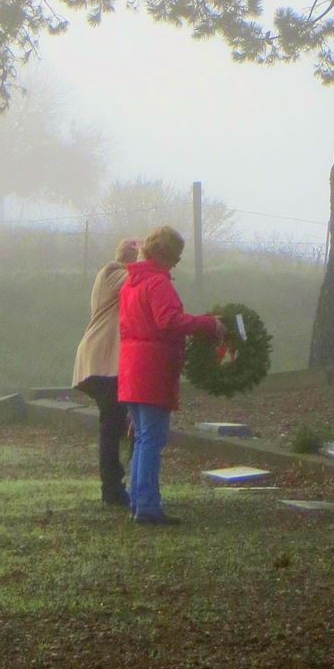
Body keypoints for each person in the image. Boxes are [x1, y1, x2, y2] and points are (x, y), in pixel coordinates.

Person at [117, 225, 223, 527]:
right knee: (151, 439)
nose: (177, 263)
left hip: (131, 366)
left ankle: (138, 501)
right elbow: (169, 321)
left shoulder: (131, 283)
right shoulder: (158, 283)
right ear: (167, 255)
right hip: (153, 368)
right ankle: (148, 506)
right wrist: (208, 325)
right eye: (176, 256)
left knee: (141, 439)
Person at [72, 237, 140, 510]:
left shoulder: (118, 278)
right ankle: (112, 488)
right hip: (102, 360)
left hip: (107, 360)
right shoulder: (111, 273)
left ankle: (117, 485)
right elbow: (137, 279)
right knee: (112, 424)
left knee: (116, 424)